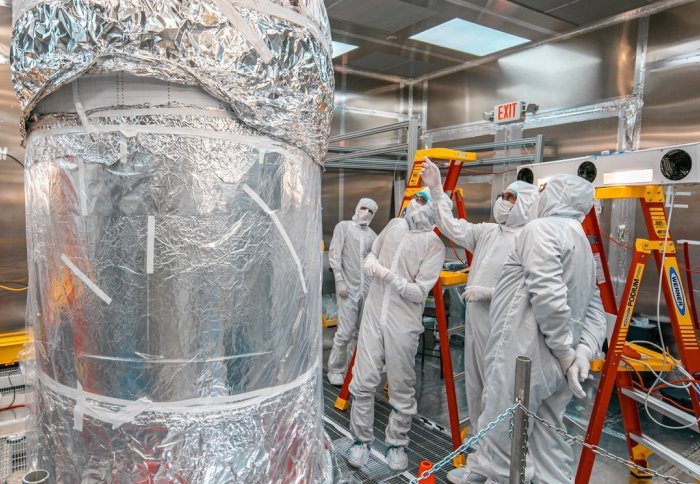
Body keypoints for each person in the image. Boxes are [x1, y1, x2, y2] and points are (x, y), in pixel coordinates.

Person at [466, 175, 607, 484]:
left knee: (503, 448)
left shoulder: (540, 229)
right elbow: (595, 308)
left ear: (557, 195)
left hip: (522, 359)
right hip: (557, 368)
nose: (540, 194)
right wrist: (583, 351)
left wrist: (566, 351)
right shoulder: (581, 241)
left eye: (545, 189)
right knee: (548, 447)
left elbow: (548, 297)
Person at [419, 158, 538, 484]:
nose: (503, 201)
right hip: (477, 327)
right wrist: (435, 188)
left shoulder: (532, 239)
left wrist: (489, 292)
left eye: (510, 197)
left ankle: (503, 473)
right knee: (476, 392)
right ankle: (478, 465)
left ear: (525, 204)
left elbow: (534, 288)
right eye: (503, 195)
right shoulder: (488, 232)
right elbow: (453, 227)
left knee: (502, 400)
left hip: (509, 333)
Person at [347, 188, 445, 472]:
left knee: (401, 386)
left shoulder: (433, 245)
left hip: (403, 323)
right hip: (373, 315)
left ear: (435, 210)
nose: (416, 203)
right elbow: (371, 256)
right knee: (363, 380)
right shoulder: (393, 225)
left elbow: (418, 292)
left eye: (424, 200)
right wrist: (371, 264)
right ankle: (360, 440)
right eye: (416, 197)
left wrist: (388, 274)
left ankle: (397, 443)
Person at [327, 198, 379, 386]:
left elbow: (373, 261)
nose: (365, 212)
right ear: (357, 207)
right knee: (345, 332)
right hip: (347, 288)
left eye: (370, 211)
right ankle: (336, 369)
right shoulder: (344, 227)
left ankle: (352, 369)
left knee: (359, 333)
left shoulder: (373, 235)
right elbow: (334, 254)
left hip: (366, 288)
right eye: (363, 208)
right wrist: (339, 280)